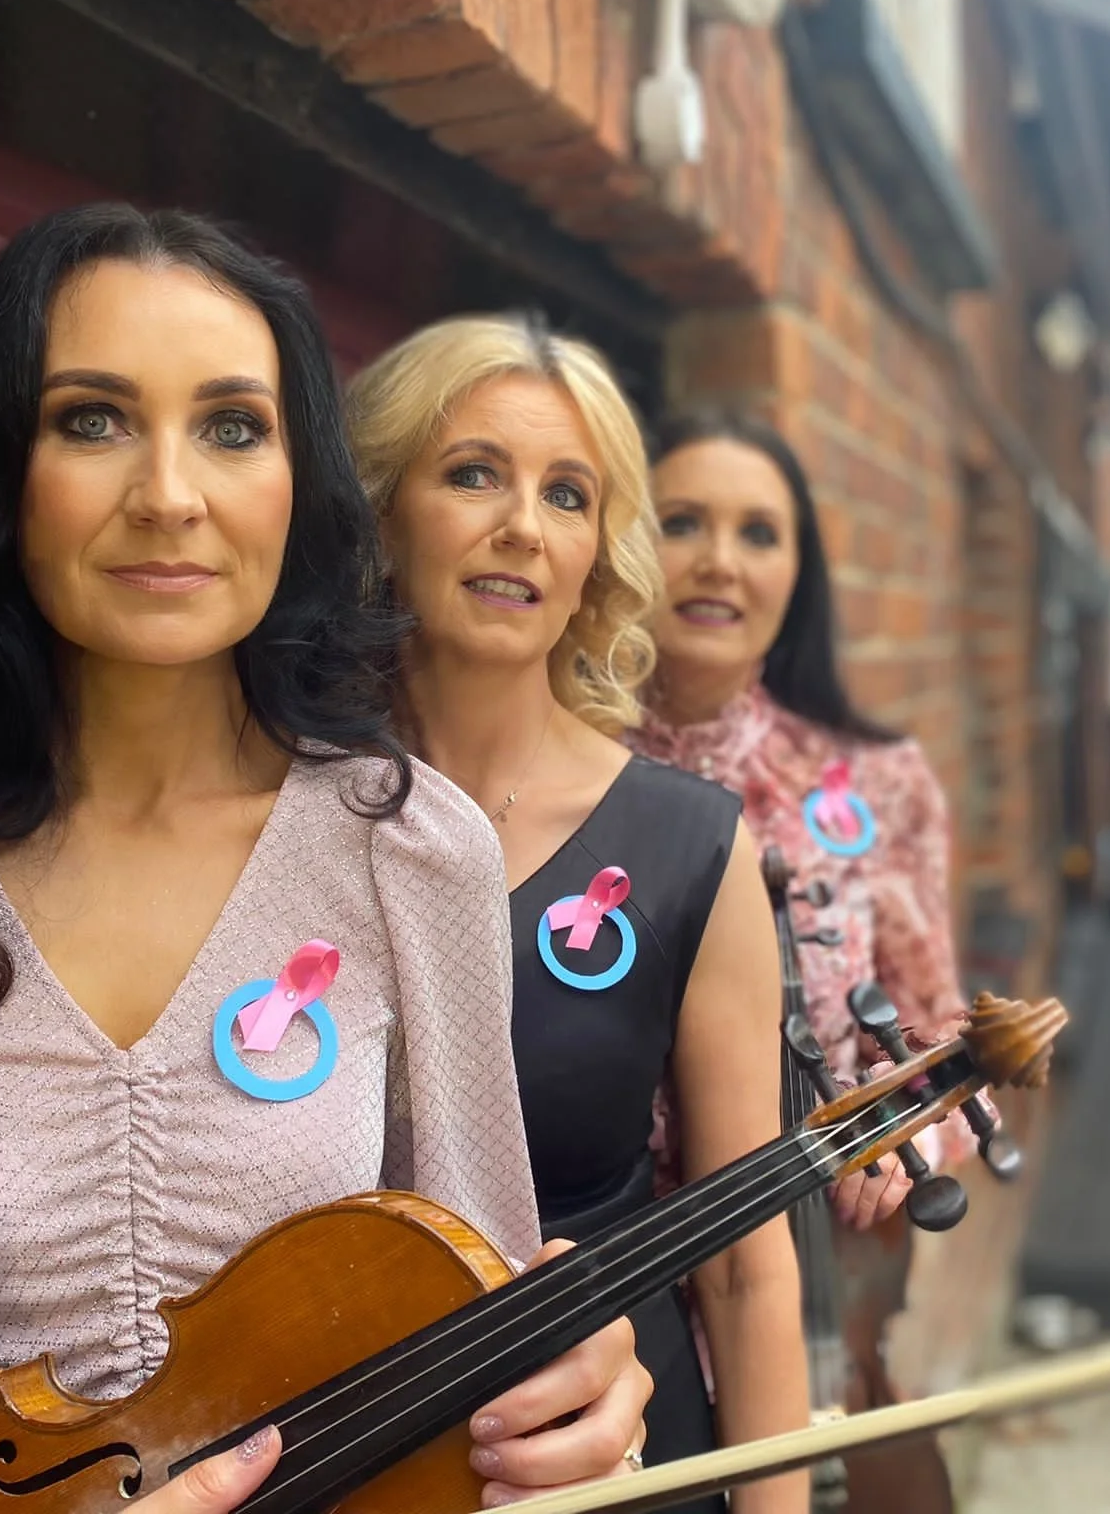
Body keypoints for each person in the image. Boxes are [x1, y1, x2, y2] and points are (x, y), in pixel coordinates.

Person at [0, 207, 649, 1513]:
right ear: (0, 469)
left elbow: (478, 1332)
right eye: (92, 419)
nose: (170, 495)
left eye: (234, 427)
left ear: (300, 485)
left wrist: (569, 1424)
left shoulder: (409, 850)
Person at [344, 315, 810, 1514]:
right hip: (345, 1457)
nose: (519, 528)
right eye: (471, 475)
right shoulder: (265, 812)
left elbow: (749, 1272)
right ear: (380, 511)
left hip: (621, 1459)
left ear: (598, 549)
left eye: (566, 494)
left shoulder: (688, 844)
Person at [628, 408, 978, 1506]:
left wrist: (901, 1125)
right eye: (679, 521)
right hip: (614, 1283)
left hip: (823, 1271)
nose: (719, 561)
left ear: (798, 573)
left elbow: (941, 1039)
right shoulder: (553, 774)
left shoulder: (872, 783)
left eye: (758, 533)